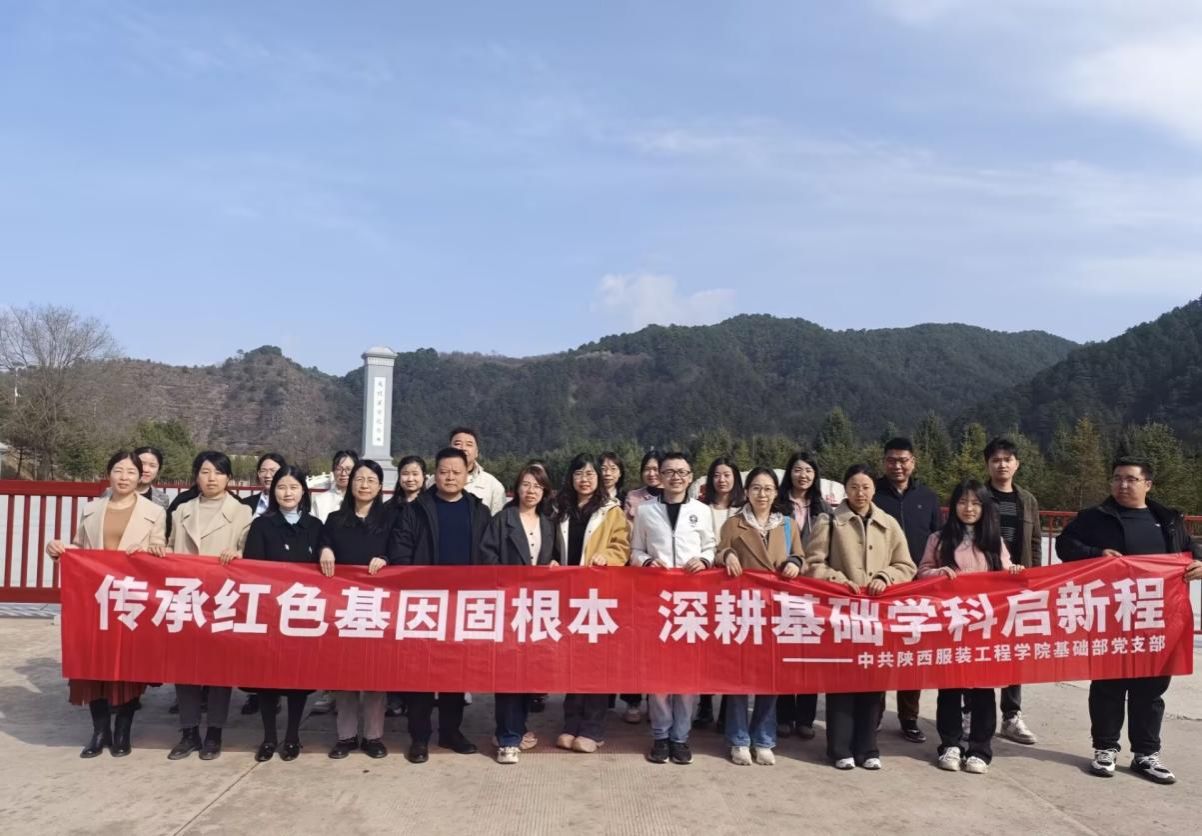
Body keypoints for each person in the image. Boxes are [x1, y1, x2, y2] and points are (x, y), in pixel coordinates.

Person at [1057, 457, 1202, 785]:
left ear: (1147, 484)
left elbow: (1191, 552)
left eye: (1131, 479)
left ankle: (1146, 754)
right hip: (1112, 615)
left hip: (1157, 617)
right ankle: (1105, 748)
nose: (1122, 485)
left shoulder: (1168, 519)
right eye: (1117, 478)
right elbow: (1065, 545)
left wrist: (1200, 565)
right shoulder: (1094, 517)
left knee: (1150, 688)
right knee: (1108, 683)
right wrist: (1096, 554)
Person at [46, 450, 167, 758]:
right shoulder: (92, 509)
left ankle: (123, 731)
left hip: (130, 600)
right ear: (109, 473)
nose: (124, 477)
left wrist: (152, 552)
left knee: (128, 668)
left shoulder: (154, 512)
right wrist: (58, 550)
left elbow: (162, 549)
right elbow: (80, 549)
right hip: (95, 599)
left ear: (140, 477)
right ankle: (100, 732)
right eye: (118, 470)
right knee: (93, 665)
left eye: (130, 472)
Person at [800, 464, 916, 770]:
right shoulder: (829, 521)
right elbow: (812, 564)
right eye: (853, 486)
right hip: (840, 614)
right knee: (841, 681)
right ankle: (839, 749)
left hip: (877, 616)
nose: (860, 493)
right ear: (845, 489)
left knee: (872, 682)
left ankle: (868, 748)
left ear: (874, 489)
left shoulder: (889, 524)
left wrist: (885, 577)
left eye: (865, 487)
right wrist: (838, 581)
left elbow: (906, 565)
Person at [389, 447, 492, 763]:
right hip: (425, 604)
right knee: (420, 674)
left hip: (463, 605)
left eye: (456, 472)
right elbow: (400, 551)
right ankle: (419, 737)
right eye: (444, 471)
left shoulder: (478, 511)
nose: (450, 477)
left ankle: (450, 732)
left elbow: (489, 554)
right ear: (435, 474)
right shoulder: (417, 509)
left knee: (455, 674)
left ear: (467, 474)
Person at [918, 479, 1023, 775]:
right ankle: (950, 744)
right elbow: (922, 572)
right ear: (954, 506)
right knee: (950, 687)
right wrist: (937, 573)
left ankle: (980, 749)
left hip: (984, 626)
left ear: (984, 507)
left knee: (983, 689)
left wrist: (1014, 571)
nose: (969, 508)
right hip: (950, 625)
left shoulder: (993, 541)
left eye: (975, 503)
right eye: (963, 502)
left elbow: (1007, 574)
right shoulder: (938, 539)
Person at [166, 451, 252, 761]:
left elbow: (249, 553)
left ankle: (214, 732)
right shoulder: (182, 510)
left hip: (221, 599)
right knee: (185, 666)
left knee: (218, 669)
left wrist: (239, 555)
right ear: (196, 476)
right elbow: (170, 547)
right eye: (205, 471)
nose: (211, 478)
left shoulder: (242, 512)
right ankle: (189, 732)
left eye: (218, 472)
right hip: (186, 597)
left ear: (229, 478)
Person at [717, 467, 804, 766]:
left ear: (776, 492)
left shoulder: (787, 525)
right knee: (739, 678)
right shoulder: (734, 523)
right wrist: (727, 556)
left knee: (771, 677)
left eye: (768, 489)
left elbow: (800, 555)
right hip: (744, 609)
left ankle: (764, 738)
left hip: (778, 610)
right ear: (747, 491)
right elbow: (719, 551)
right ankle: (739, 739)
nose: (762, 494)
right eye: (756, 488)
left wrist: (795, 563)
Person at [633, 451, 715, 766]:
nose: (676, 477)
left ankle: (680, 737)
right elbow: (635, 550)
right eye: (669, 472)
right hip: (657, 601)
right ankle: (660, 735)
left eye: (682, 472)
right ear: (660, 476)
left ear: (691, 476)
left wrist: (704, 560)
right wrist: (646, 562)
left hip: (692, 604)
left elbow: (711, 546)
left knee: (687, 676)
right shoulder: (645, 511)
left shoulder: (702, 511)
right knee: (658, 676)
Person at [550, 454, 631, 752]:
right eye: (578, 474)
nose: (584, 480)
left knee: (597, 663)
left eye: (590, 474)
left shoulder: (611, 511)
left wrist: (606, 557)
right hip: (567, 595)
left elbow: (622, 547)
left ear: (599, 478)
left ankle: (593, 729)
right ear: (570, 478)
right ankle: (570, 723)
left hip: (598, 597)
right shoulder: (560, 509)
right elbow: (551, 544)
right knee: (572, 661)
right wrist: (551, 560)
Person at [480, 464, 560, 764]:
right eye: (526, 484)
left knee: (528, 672)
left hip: (537, 608)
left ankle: (517, 727)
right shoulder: (503, 520)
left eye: (538, 486)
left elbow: (554, 559)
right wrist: (507, 582)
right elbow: (486, 558)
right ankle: (508, 739)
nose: (531, 491)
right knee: (508, 673)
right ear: (516, 488)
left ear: (545, 491)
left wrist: (554, 566)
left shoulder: (548, 523)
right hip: (508, 606)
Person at [242, 465, 321, 762]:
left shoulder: (315, 526)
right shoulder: (262, 525)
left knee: (297, 680)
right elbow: (253, 570)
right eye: (281, 487)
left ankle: (292, 736)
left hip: (302, 614)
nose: (287, 493)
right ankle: (269, 737)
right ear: (273, 491)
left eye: (293, 487)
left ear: (303, 491)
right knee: (268, 680)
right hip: (270, 613)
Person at [317, 459, 393, 759]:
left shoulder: (390, 519)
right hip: (343, 606)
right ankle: (346, 736)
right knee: (345, 674)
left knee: (375, 674)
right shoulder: (335, 519)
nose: (364, 485)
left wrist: (386, 558)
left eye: (371, 480)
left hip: (378, 606)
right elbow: (322, 542)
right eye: (359, 479)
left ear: (380, 486)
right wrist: (325, 550)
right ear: (350, 484)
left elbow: (401, 551)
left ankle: (373, 736)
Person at [873, 437, 940, 744]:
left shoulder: (927, 497)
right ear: (883, 462)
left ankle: (909, 718)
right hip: (881, 585)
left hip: (918, 587)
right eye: (891, 460)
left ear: (914, 462)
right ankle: (873, 713)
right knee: (878, 651)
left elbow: (939, 540)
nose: (897, 466)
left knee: (913, 654)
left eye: (903, 460)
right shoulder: (873, 494)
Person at [983, 437, 1042, 745]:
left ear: (1017, 464)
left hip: (1018, 585)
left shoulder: (1027, 500)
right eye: (996, 459)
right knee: (980, 648)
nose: (1002, 464)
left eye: (1007, 459)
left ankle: (1011, 716)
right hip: (984, 585)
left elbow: (1035, 542)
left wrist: (1035, 579)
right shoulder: (978, 497)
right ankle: (973, 712)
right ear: (987, 465)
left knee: (1014, 651)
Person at [774, 450, 832, 740]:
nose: (803, 475)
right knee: (784, 650)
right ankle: (784, 716)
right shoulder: (777, 505)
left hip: (814, 588)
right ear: (790, 473)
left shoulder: (824, 509)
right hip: (782, 585)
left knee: (811, 653)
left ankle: (805, 718)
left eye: (809, 470)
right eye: (798, 469)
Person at [695, 456, 746, 730]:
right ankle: (704, 705)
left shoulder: (744, 510)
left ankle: (728, 709)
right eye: (716, 475)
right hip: (706, 586)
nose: (722, 480)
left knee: (732, 649)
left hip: (736, 586)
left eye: (727, 474)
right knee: (707, 648)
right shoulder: (700, 509)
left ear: (735, 478)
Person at [445, 427, 506, 514]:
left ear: (476, 452)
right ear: (449, 449)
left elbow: (498, 520)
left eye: (469, 444)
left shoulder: (493, 486)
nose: (463, 448)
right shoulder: (434, 481)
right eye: (457, 444)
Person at [102, 445, 170, 510]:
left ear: (158, 469)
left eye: (152, 466)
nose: (146, 469)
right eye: (142, 463)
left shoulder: (162, 499)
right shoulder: (109, 493)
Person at [311, 450, 360, 523]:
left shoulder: (363, 499)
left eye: (348, 469)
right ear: (333, 471)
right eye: (339, 469)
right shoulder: (320, 501)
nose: (343, 473)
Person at [241, 453, 286, 519]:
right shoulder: (246, 503)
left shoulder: (291, 502)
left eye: (273, 470)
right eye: (263, 471)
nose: (267, 475)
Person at [623, 451, 662, 524]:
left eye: (655, 469)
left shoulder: (672, 496)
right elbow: (626, 524)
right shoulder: (633, 496)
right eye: (647, 469)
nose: (651, 474)